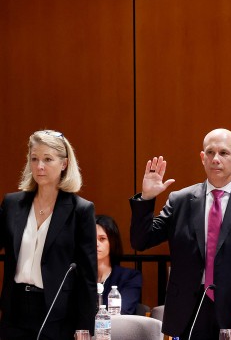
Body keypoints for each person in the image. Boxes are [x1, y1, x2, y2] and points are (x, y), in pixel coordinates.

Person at [129, 128, 231, 339]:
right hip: (187, 313)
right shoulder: (180, 200)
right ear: (202, 157)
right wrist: (146, 199)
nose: (215, 159)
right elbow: (141, 241)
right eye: (210, 152)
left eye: (224, 153)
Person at [0, 130, 98, 339]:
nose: (39, 166)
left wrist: (85, 329)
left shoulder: (80, 210)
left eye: (47, 159)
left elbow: (88, 276)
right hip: (15, 308)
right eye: (34, 159)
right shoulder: (12, 204)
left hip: (57, 312)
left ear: (64, 164)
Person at [95, 214, 142, 314]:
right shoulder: (78, 275)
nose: (96, 244)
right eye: (91, 238)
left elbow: (123, 312)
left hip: (117, 328)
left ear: (112, 242)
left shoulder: (129, 277)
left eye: (102, 239)